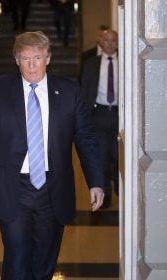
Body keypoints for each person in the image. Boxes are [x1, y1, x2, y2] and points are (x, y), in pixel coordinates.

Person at [0, 31, 105, 279]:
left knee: (44, 261)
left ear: (48, 58)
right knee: (17, 257)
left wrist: (96, 181)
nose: (31, 64)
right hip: (13, 187)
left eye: (37, 57)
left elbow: (86, 138)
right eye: (25, 58)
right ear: (16, 60)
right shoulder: (0, 88)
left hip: (52, 188)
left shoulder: (69, 91)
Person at [80, 29, 119, 208]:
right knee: (102, 156)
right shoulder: (91, 64)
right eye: (107, 40)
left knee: (118, 155)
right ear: (100, 41)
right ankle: (106, 194)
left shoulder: (127, 63)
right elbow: (84, 91)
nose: (110, 43)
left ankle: (121, 189)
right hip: (99, 115)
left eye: (113, 40)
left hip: (120, 115)